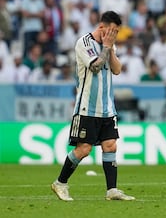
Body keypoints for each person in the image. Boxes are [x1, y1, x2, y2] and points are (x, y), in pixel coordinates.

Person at [51, 11, 135, 201]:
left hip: (107, 107)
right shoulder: (84, 42)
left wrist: (110, 48)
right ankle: (60, 183)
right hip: (87, 107)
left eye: (117, 32)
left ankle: (112, 190)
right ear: (101, 27)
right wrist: (106, 47)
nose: (114, 35)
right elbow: (95, 66)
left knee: (110, 146)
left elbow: (117, 69)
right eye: (112, 30)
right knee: (84, 149)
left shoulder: (110, 45)